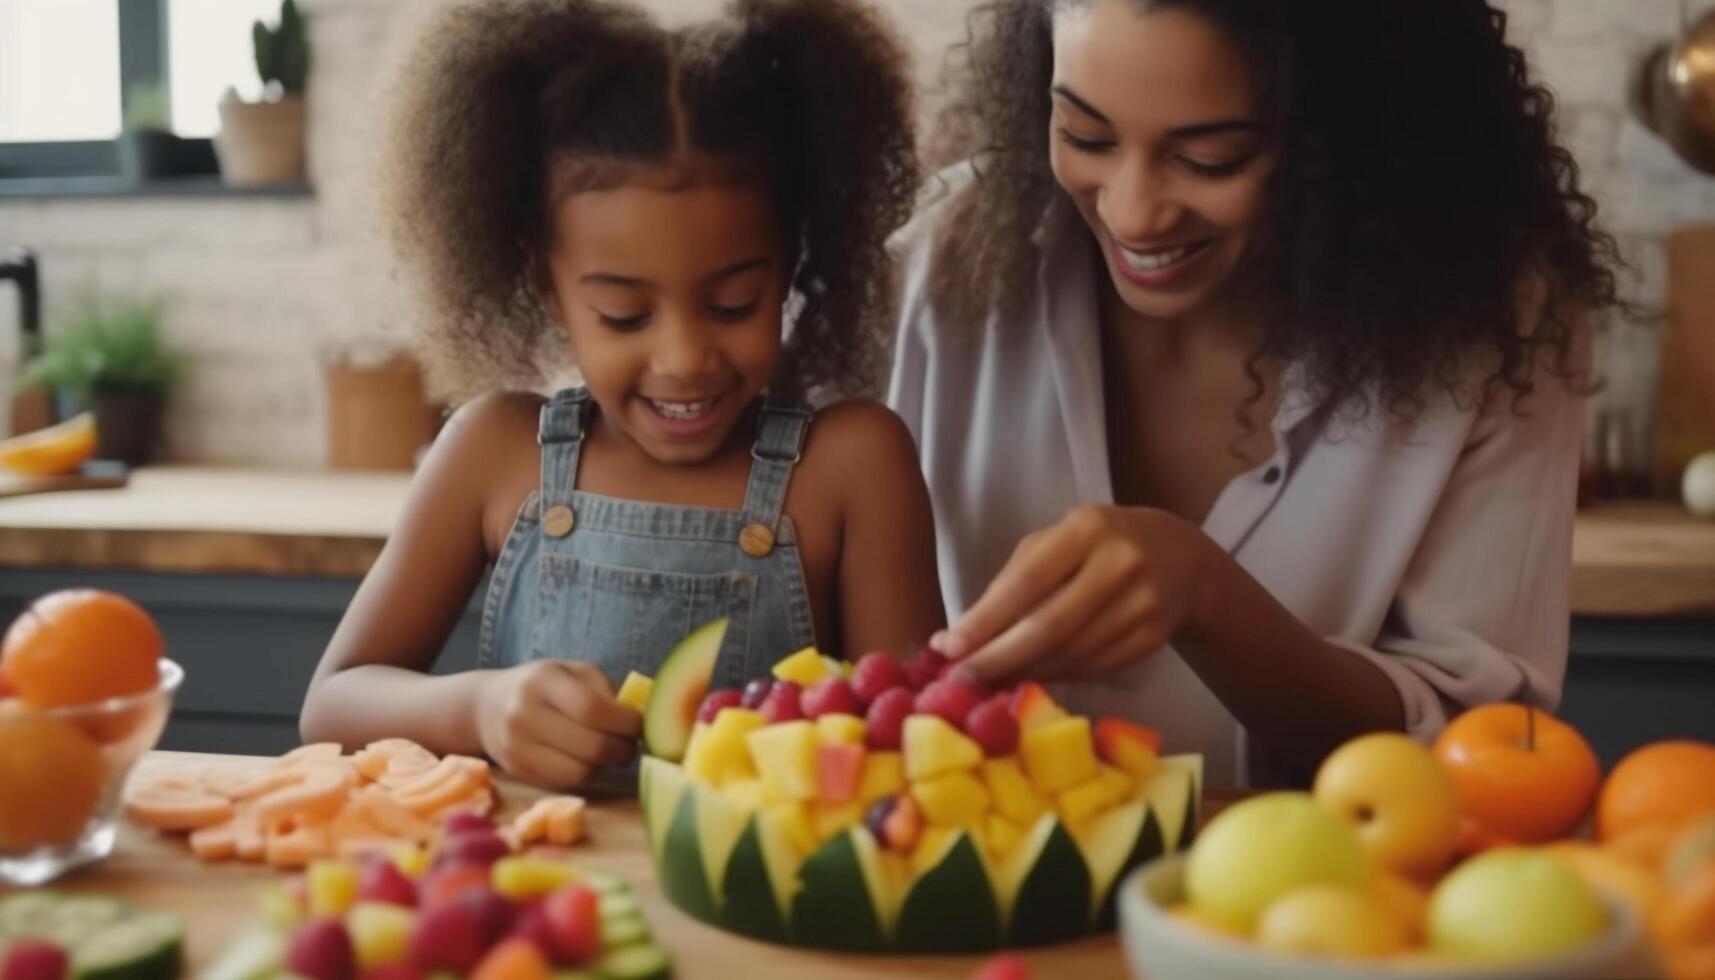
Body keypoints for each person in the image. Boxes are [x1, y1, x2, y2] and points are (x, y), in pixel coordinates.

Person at [888, 0, 1621, 786]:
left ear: (1350, 138)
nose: (1132, 212)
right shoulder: (940, 256)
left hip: (1315, 898)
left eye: (1209, 159)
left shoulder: (1494, 318)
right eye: (1084, 137)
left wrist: (1206, 597)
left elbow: (1477, 750)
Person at [301, 0, 942, 790]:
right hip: (546, 899)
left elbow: (921, 748)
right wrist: (479, 708)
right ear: (545, 284)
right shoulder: (495, 452)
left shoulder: (852, 466)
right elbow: (331, 705)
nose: (682, 359)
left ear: (792, 263)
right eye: (624, 315)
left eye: (734, 303)